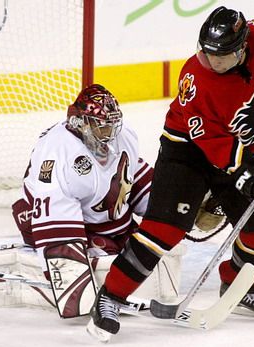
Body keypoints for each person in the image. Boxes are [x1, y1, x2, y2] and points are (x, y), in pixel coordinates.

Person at [89, 7, 254, 335]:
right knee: (164, 229)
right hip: (188, 152)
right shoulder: (195, 78)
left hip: (247, 154)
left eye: (222, 56)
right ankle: (110, 296)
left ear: (243, 47)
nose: (213, 62)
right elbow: (210, 141)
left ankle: (237, 287)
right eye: (207, 54)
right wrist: (248, 178)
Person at [10, 84, 154, 310]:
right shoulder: (59, 153)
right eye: (102, 126)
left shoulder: (122, 137)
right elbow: (55, 220)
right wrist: (74, 290)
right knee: (108, 252)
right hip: (47, 220)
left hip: (108, 221)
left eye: (113, 125)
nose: (110, 133)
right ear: (81, 123)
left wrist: (173, 209)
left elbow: (133, 176)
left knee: (147, 246)